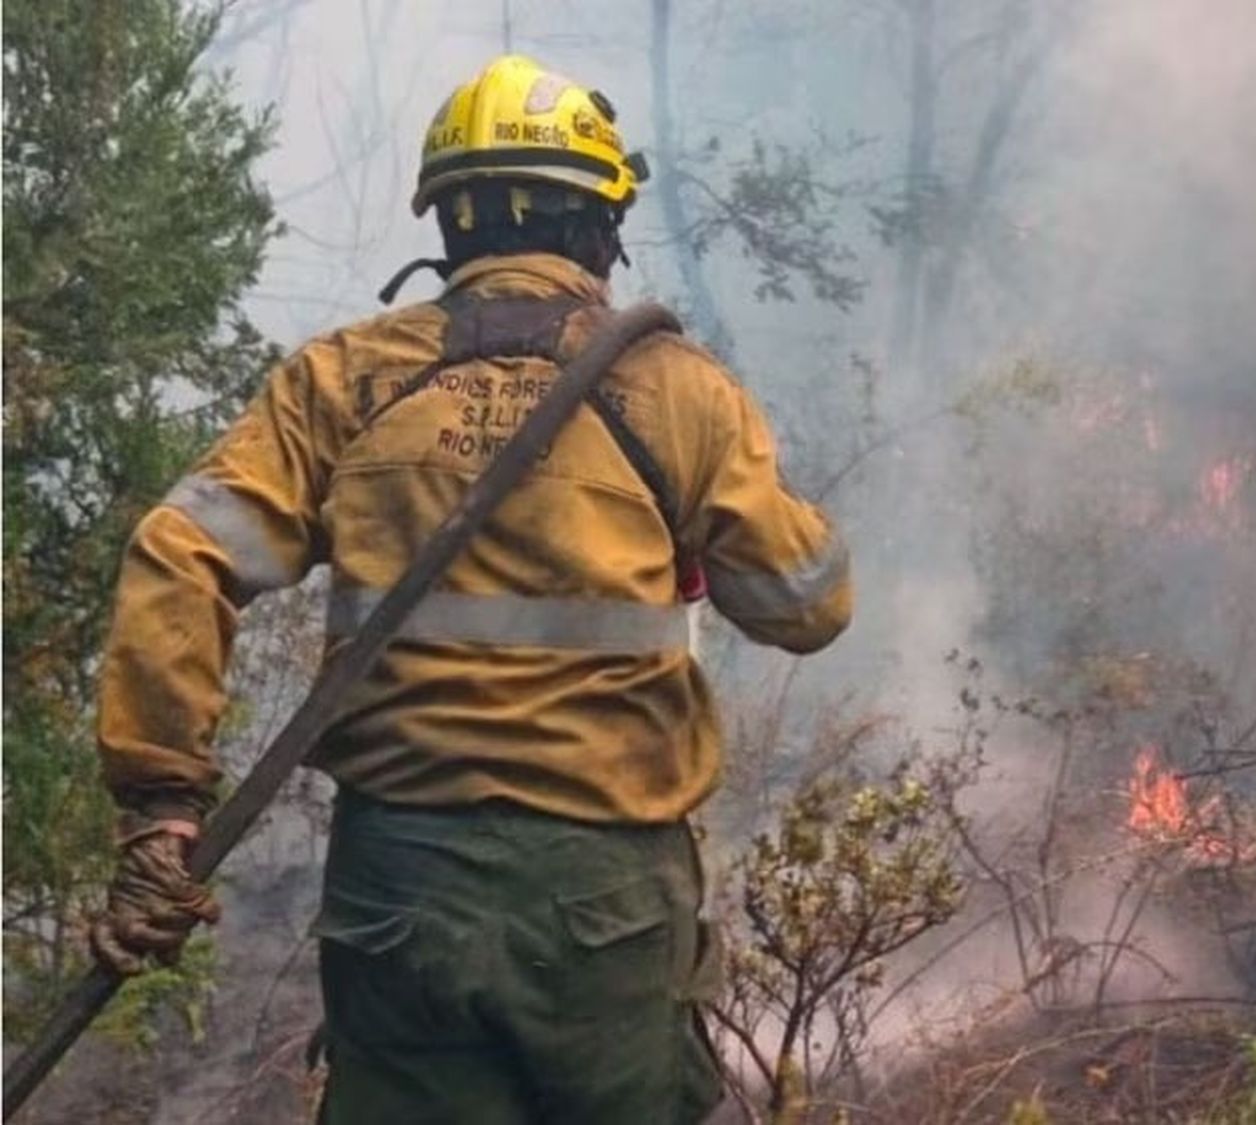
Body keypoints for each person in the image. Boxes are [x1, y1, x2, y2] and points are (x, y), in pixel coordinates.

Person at [89, 54, 852, 1124]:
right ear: (599, 227)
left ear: (449, 225)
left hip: (399, 885)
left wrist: (162, 811)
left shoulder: (342, 381)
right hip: (607, 897)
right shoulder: (677, 390)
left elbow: (183, 553)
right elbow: (804, 607)